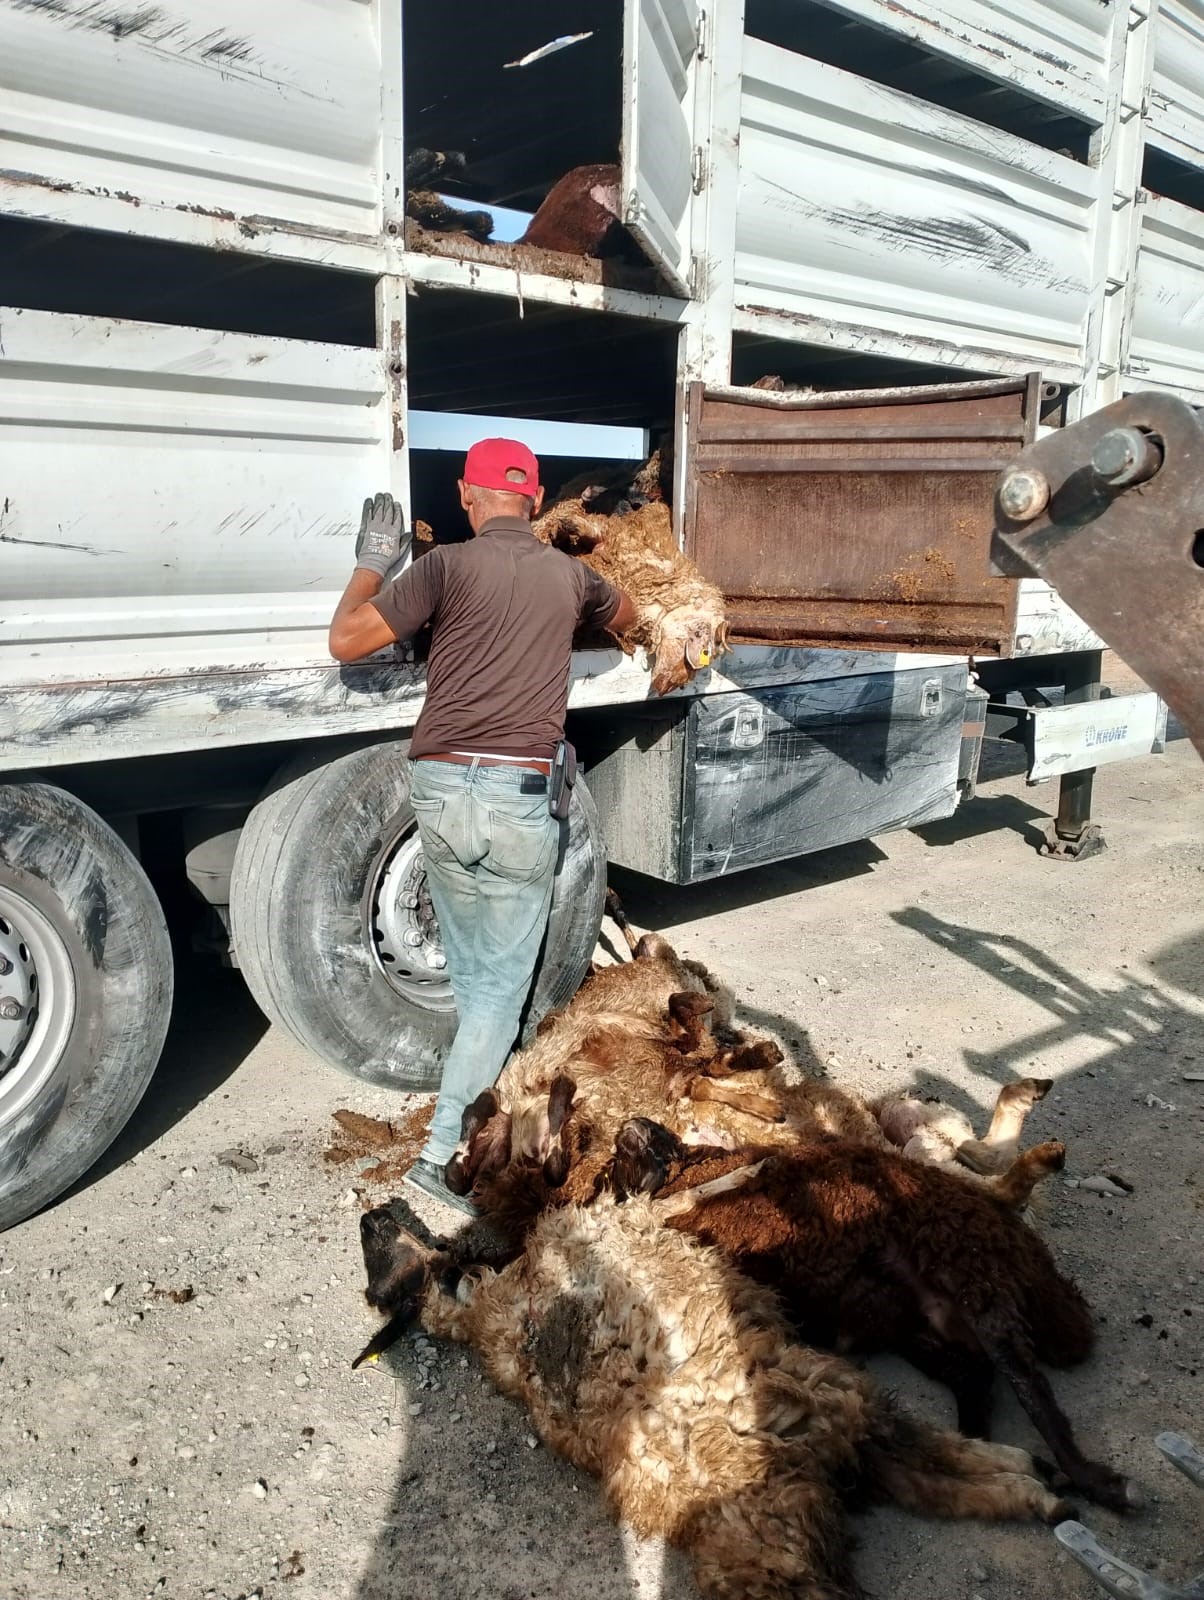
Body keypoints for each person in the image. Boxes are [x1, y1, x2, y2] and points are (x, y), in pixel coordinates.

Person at [328, 439, 636, 1213]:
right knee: (499, 992)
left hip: (436, 786)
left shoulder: (441, 570)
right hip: (516, 794)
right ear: (534, 500)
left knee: (474, 979)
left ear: (468, 498)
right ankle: (440, 1158)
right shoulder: (572, 577)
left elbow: (346, 641)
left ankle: (479, 1091)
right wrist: (573, 619)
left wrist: (374, 561)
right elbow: (631, 620)